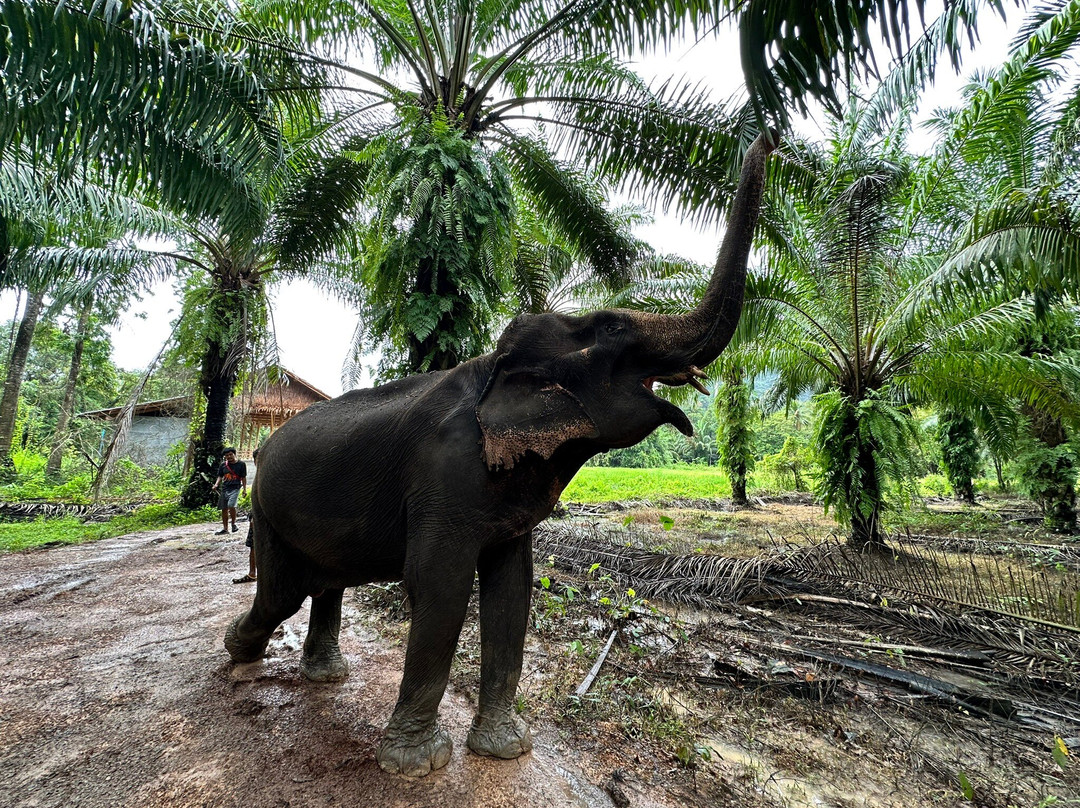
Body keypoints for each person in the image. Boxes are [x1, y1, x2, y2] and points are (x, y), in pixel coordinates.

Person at [233, 448, 259, 584]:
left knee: (256, 546)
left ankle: (254, 573)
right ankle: (252, 573)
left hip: (261, 517)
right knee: (253, 546)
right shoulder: (261, 475)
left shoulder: (266, 475)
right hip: (256, 515)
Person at [211, 447, 246, 537]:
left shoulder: (241, 464)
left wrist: (244, 489)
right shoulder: (223, 465)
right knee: (224, 508)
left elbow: (243, 477)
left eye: (231, 454)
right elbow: (220, 476)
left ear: (234, 454)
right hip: (225, 488)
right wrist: (216, 485)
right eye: (227, 455)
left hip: (235, 488)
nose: (229, 456)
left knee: (231, 505)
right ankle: (225, 528)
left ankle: (233, 524)